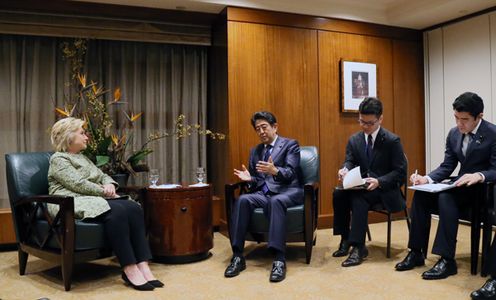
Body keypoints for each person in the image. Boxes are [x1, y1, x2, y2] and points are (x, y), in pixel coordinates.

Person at [48, 117, 163, 291]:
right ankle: (129, 267)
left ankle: (143, 264)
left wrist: (110, 184)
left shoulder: (82, 157)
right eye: (82, 133)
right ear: (68, 136)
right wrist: (104, 191)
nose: (87, 137)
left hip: (92, 197)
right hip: (68, 201)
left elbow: (102, 176)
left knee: (133, 207)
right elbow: (77, 184)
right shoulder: (59, 159)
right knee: (116, 211)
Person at [395, 92, 496, 280]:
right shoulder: (453, 134)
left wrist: (479, 175)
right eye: (456, 118)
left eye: (464, 119)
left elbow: (495, 169)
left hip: (484, 191)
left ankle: (447, 259)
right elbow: (448, 165)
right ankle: (416, 252)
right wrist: (427, 179)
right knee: (421, 194)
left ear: (479, 116)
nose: (459, 124)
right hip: (461, 187)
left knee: (445, 196)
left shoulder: (492, 133)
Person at [224, 111, 303, 282]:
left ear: (275, 127)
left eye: (264, 127)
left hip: (287, 190)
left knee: (276, 200)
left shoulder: (291, 145)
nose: (261, 131)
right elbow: (258, 180)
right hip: (264, 193)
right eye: (257, 129)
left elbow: (291, 172)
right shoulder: (256, 151)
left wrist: (275, 171)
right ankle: (238, 256)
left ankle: (279, 259)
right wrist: (250, 179)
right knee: (243, 200)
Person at [332, 97, 407, 267]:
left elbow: (400, 173)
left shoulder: (392, 141)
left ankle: (358, 247)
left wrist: (379, 181)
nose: (365, 126)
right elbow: (349, 161)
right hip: (363, 185)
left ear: (380, 119)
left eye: (369, 123)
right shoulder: (354, 140)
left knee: (359, 198)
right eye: (361, 121)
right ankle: (345, 238)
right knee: (338, 192)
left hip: (386, 190)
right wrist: (344, 169)